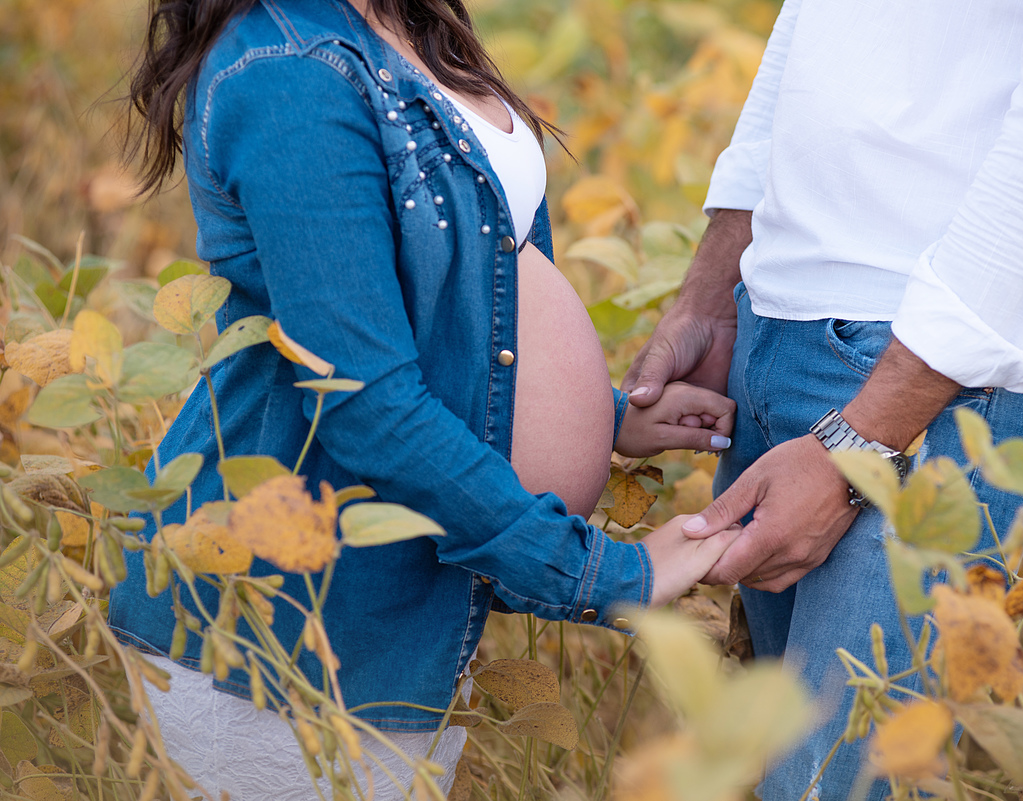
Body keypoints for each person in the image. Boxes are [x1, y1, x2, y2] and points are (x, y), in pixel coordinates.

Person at [112, 0, 740, 796]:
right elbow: (365, 401)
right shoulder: (287, 74)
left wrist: (603, 416)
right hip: (298, 629)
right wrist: (605, 576)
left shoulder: (415, 21)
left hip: (407, 607)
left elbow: (450, 307)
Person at [622, 2, 1023, 798]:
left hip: (947, 382)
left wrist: (862, 444)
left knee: (828, 783)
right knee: (770, 769)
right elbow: (808, 32)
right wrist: (714, 292)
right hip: (777, 329)